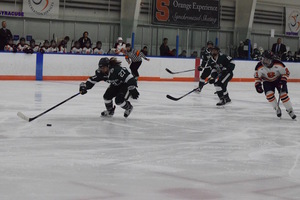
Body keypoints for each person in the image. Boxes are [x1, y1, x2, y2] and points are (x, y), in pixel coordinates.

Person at [254, 50, 296, 119]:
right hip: (267, 81)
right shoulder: (259, 66)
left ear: (272, 60)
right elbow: (257, 77)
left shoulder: (279, 64)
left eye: (267, 60)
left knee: (283, 95)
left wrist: (283, 79)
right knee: (269, 95)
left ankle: (290, 110)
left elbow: (286, 73)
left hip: (278, 80)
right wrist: (258, 84)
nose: (265, 62)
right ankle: (276, 108)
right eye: (264, 59)